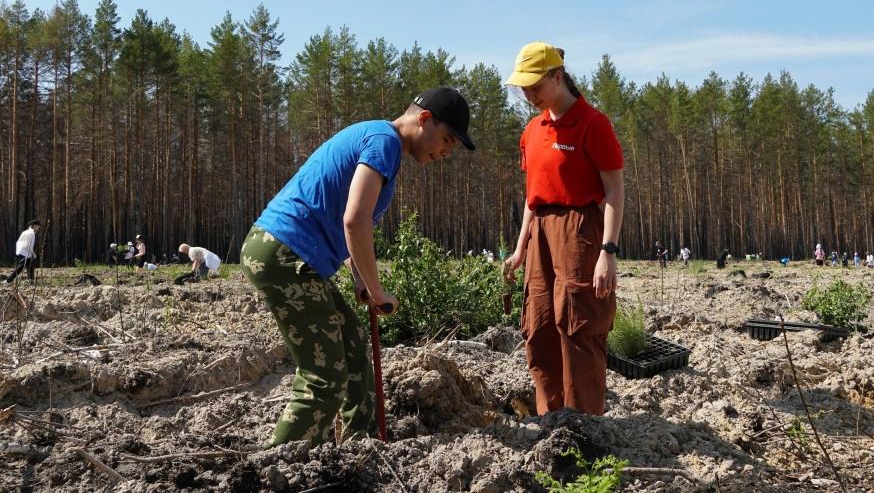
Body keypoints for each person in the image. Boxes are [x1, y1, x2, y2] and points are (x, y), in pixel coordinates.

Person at [241, 85, 475, 448]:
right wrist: (377, 289)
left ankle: (359, 448)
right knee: (324, 374)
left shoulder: (381, 141)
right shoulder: (385, 143)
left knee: (352, 343)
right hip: (285, 253)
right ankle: (278, 467)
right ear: (424, 119)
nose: (445, 152)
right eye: (447, 140)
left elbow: (347, 224)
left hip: (288, 253)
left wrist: (360, 280)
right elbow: (355, 220)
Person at [500, 42, 624, 417]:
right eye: (523, 88)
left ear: (557, 76)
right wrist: (521, 247)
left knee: (578, 325)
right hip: (539, 232)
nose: (528, 95)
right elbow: (531, 194)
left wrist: (608, 252)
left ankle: (584, 424)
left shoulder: (593, 124)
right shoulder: (532, 130)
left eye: (535, 86)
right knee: (538, 327)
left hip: (579, 230)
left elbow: (615, 191)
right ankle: (550, 421)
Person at [3, 219, 41, 284]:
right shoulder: (32, 233)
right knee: (20, 268)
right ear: (34, 226)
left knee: (30, 267)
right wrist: (33, 254)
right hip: (26, 253)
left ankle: (31, 281)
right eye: (38, 226)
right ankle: (7, 281)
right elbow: (28, 245)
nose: (38, 228)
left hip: (22, 252)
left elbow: (19, 242)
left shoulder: (25, 232)